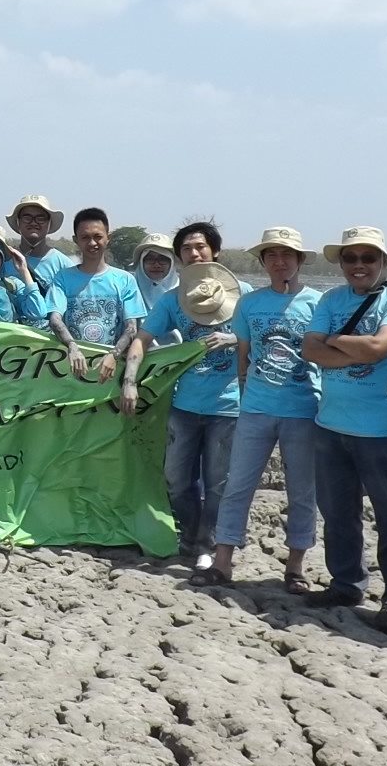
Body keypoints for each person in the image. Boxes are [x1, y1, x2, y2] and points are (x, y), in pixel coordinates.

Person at [300, 226, 387, 632]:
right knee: (337, 514)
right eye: (350, 258)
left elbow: (378, 348)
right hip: (330, 425)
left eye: (368, 257)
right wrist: (356, 348)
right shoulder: (331, 299)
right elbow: (310, 350)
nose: (358, 265)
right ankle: (346, 584)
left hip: (381, 429)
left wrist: (335, 341)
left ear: (383, 262)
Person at [209, 227, 323, 595]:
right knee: (237, 486)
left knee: (302, 491)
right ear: (263, 261)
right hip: (256, 410)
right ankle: (222, 561)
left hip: (304, 411)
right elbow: (243, 356)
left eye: (287, 254)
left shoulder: (318, 304)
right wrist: (248, 394)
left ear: (300, 260)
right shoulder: (250, 304)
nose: (279, 261)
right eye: (271, 254)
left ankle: (295, 566)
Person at [139, 223, 243, 575]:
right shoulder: (173, 299)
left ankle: (206, 544)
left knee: (218, 482)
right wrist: (128, 375)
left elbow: (260, 339)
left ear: (215, 251)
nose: (194, 253)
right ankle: (190, 533)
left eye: (200, 246)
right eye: (186, 248)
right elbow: (143, 338)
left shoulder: (243, 295)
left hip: (228, 406)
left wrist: (234, 339)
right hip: (184, 404)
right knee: (176, 478)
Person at [0, 225, 87, 371]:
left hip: (11, 367)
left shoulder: (12, 287)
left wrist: (24, 271)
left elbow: (38, 312)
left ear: (2, 260)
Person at [49, 208, 148, 411]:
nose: (92, 243)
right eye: (85, 237)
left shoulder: (125, 280)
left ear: (108, 238)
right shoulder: (62, 278)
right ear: (76, 240)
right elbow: (55, 319)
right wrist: (72, 347)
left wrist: (114, 355)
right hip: (71, 375)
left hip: (111, 375)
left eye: (98, 237)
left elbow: (132, 328)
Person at [7, 195, 74, 294]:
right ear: (18, 222)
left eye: (40, 218)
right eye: (27, 218)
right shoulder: (3, 260)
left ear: (49, 223)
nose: (33, 223)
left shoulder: (63, 265)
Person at [133, 233, 179, 318]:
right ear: (141, 262)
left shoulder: (184, 293)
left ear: (172, 263)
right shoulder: (129, 291)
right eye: (150, 259)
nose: (156, 265)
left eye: (163, 259)